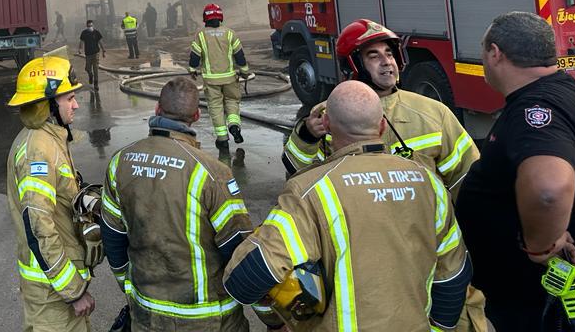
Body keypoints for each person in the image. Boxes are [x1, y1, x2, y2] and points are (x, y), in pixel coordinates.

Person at [224, 80, 472, 331]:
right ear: (383, 125)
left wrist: (281, 318)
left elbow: (244, 279)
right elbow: (453, 276)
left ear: (328, 125)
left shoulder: (311, 191)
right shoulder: (429, 183)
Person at [457, 11, 575, 331]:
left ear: (495, 53)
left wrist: (541, 246)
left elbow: (549, 190)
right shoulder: (565, 91)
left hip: (530, 299)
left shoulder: (536, 109)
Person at [101, 75, 253, 330]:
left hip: (146, 315)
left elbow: (113, 237)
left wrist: (128, 287)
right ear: (196, 116)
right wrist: (270, 316)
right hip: (209, 321)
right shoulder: (211, 173)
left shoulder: (120, 162)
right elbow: (239, 251)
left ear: (157, 109)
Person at [282, 18, 478, 193]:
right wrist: (307, 136)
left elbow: (467, 176)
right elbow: (298, 175)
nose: (386, 62)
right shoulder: (331, 114)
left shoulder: (434, 112)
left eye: (390, 54)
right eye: (374, 56)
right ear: (353, 65)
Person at [6, 54, 95, 330]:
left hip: (55, 290)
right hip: (52, 295)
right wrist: (72, 291)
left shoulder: (50, 139)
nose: (76, 104)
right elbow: (38, 226)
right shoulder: (38, 151)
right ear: (47, 105)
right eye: (69, 98)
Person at [188, 3, 252, 153]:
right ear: (220, 17)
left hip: (211, 81)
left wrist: (192, 69)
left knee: (216, 107)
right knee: (232, 101)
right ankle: (234, 126)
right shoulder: (230, 33)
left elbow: (195, 57)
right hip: (230, 78)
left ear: (205, 19)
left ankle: (222, 140)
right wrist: (244, 71)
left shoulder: (201, 35)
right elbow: (240, 55)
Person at [78, 19, 106, 90]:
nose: (90, 27)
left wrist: (103, 50)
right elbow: (81, 41)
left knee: (95, 69)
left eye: (91, 25)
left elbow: (100, 42)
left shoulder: (96, 33)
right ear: (86, 26)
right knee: (87, 68)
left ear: (93, 25)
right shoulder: (84, 33)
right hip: (88, 54)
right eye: (88, 26)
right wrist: (80, 49)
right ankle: (90, 75)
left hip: (96, 53)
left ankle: (96, 84)